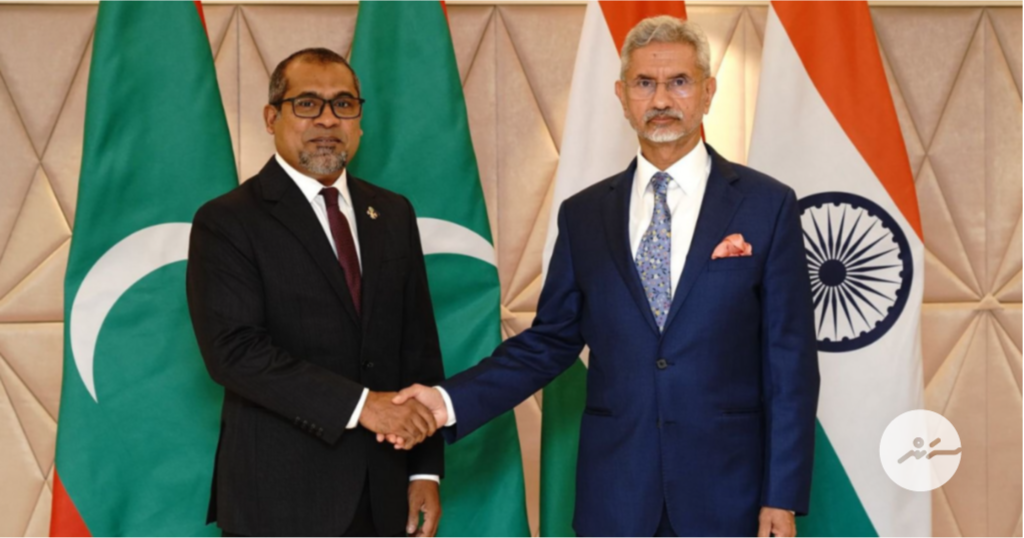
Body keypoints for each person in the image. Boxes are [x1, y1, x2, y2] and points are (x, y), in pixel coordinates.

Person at [393, 17, 819, 538]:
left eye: (679, 82)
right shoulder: (584, 214)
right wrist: (446, 401)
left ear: (708, 92)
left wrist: (782, 495)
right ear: (622, 96)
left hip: (730, 496)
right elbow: (549, 343)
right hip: (617, 497)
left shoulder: (767, 205)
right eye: (644, 83)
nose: (660, 99)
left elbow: (790, 365)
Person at [187, 48, 444, 538]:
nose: (328, 120)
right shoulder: (227, 221)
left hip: (385, 494)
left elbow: (418, 349)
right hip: (278, 502)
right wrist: (362, 405)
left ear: (359, 120)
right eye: (307, 104)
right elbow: (234, 353)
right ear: (272, 118)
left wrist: (424, 473)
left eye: (343, 104)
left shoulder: (393, 213)